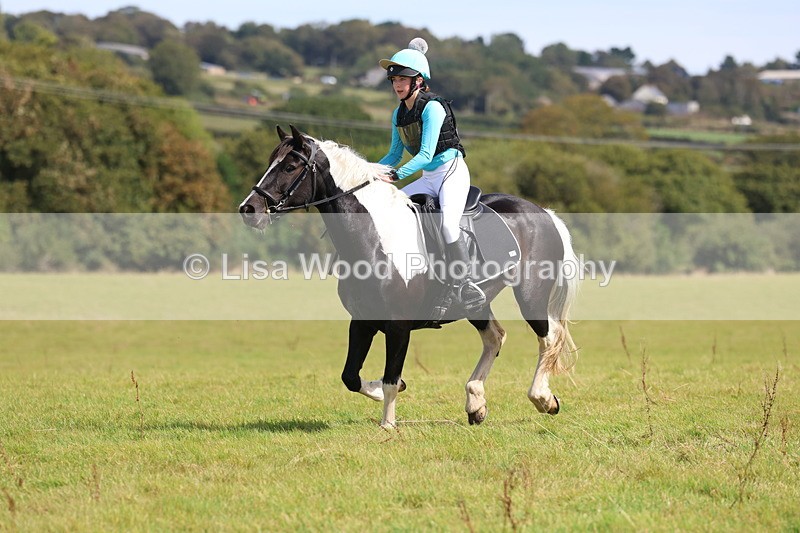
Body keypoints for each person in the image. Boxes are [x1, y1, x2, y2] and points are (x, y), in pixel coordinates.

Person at [377, 38, 485, 311]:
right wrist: (369, 173)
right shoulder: (398, 114)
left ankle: (465, 284)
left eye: (403, 79)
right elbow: (393, 155)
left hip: (451, 173)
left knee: (448, 226)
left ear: (419, 81)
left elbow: (425, 155)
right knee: (390, 211)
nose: (397, 85)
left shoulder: (433, 108)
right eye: (394, 80)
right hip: (427, 177)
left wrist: (395, 176)